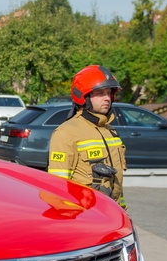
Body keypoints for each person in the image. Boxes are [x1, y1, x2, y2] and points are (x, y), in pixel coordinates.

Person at [47, 65, 128, 209]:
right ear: (84, 96)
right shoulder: (66, 132)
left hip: (111, 214)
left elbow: (117, 185)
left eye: (109, 93)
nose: (107, 98)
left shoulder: (110, 130)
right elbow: (57, 187)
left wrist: (123, 212)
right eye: (100, 93)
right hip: (85, 216)